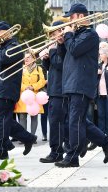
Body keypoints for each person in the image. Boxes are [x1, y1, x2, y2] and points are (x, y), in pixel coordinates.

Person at [54, 3, 108, 167]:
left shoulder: (90, 34)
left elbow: (74, 49)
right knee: (77, 120)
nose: (69, 21)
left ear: (80, 16)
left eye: (71, 17)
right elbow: (64, 55)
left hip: (80, 83)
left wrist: (67, 36)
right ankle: (106, 142)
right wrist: (60, 42)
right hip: (71, 82)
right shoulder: (76, 34)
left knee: (75, 121)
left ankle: (72, 157)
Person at [0, 21, 37, 160]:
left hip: (6, 89)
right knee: (5, 120)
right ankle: (28, 138)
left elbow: (3, 58)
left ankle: (1, 149)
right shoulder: (1, 47)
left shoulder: (14, 46)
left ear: (6, 33)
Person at [39, 20, 69, 163]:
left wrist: (50, 51)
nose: (51, 35)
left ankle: (56, 151)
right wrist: (45, 59)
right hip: (54, 88)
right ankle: (66, 148)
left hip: (61, 89)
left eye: (54, 32)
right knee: (57, 122)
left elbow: (60, 63)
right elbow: (51, 67)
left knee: (56, 122)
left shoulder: (64, 45)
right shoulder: (57, 45)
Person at [14, 52, 46, 137]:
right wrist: (25, 87)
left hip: (34, 96)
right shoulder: (21, 69)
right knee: (22, 116)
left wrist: (33, 87)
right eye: (25, 57)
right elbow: (17, 82)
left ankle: (32, 136)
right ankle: (24, 137)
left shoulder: (39, 69)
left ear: (34, 59)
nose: (26, 59)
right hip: (23, 96)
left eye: (28, 57)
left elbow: (42, 81)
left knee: (34, 116)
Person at [97, 42, 108, 137]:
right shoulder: (99, 65)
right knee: (101, 115)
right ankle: (101, 135)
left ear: (106, 54)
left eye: (102, 53)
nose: (100, 55)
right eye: (99, 53)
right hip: (100, 95)